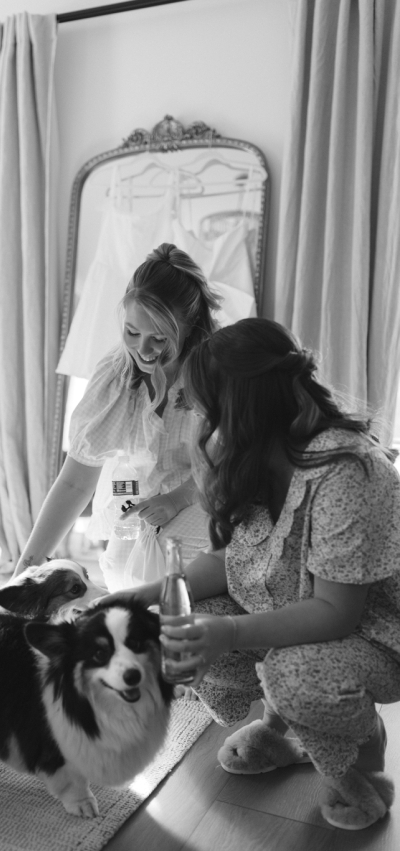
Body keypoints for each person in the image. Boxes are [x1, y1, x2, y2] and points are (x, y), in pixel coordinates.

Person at [110, 317, 400, 831]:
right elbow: (227, 561)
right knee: (184, 620)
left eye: (201, 408)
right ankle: (282, 731)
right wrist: (142, 596)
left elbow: (337, 612)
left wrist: (231, 632)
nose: (195, 419)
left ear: (239, 408)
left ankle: (363, 764)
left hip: (372, 636)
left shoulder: (348, 471)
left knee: (297, 674)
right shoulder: (248, 455)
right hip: (292, 610)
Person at [0, 243, 221, 592]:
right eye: (132, 333)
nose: (143, 351)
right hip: (136, 490)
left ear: (190, 325)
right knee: (120, 572)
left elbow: (231, 459)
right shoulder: (116, 377)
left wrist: (177, 499)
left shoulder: (214, 371)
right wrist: (24, 570)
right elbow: (75, 482)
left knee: (164, 570)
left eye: (160, 339)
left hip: (203, 489)